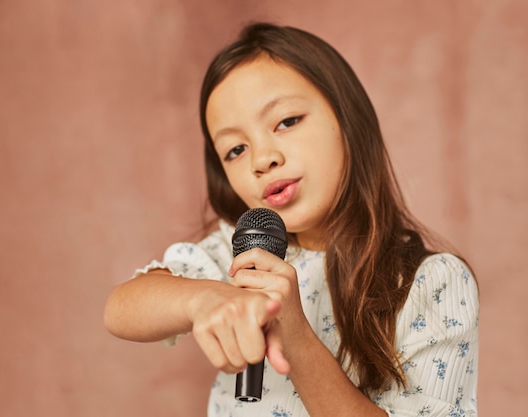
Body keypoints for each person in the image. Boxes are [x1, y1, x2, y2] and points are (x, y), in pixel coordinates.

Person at [104, 22, 479, 417]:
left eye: (286, 122)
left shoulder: (432, 285)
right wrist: (203, 299)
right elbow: (120, 309)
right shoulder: (239, 253)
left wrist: (296, 337)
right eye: (235, 149)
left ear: (347, 120)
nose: (262, 159)